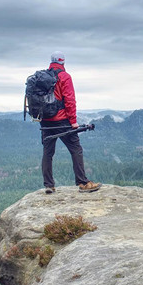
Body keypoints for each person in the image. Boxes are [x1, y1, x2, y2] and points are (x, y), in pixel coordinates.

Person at [40, 51, 101, 194]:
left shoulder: (42, 77)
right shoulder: (64, 77)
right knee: (76, 149)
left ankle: (49, 185)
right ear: (63, 62)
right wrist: (73, 121)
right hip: (62, 120)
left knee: (48, 152)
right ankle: (82, 183)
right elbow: (69, 100)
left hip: (45, 121)